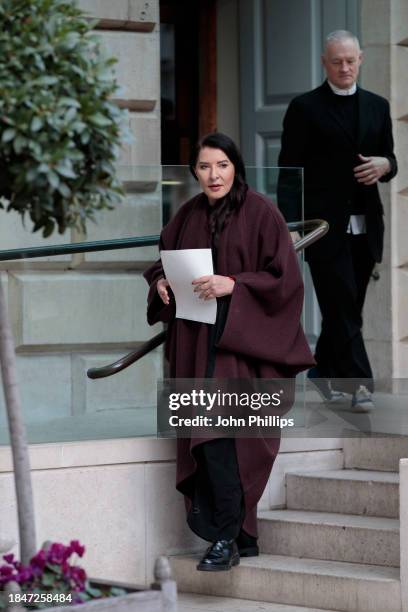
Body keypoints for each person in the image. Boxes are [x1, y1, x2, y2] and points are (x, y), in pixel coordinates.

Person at [144, 132, 314, 572]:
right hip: (196, 341)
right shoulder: (187, 214)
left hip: (243, 343)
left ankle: (227, 538)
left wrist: (234, 284)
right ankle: (239, 535)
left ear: (235, 166)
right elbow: (163, 261)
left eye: (221, 164)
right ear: (194, 172)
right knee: (213, 435)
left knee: (228, 437)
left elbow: (284, 280)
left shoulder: (262, 213)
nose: (213, 174)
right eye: (204, 167)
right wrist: (161, 282)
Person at [278, 30, 397, 412]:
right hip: (322, 227)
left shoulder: (378, 106)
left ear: (361, 59)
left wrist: (387, 165)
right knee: (342, 303)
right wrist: (292, 224)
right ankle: (359, 384)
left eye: (350, 60)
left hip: (366, 225)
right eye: (336, 61)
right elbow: (288, 171)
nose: (344, 67)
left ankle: (321, 371)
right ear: (324, 63)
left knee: (347, 306)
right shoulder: (304, 107)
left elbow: (389, 159)